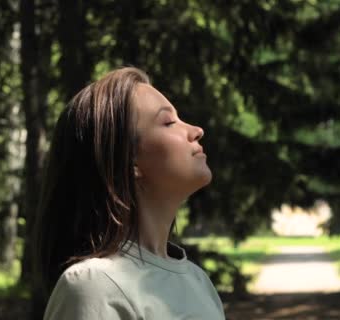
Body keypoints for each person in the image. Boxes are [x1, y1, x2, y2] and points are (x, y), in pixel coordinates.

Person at [33, 67, 225, 319]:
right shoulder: (94, 286)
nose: (196, 130)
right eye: (169, 122)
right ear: (129, 161)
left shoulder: (198, 281)